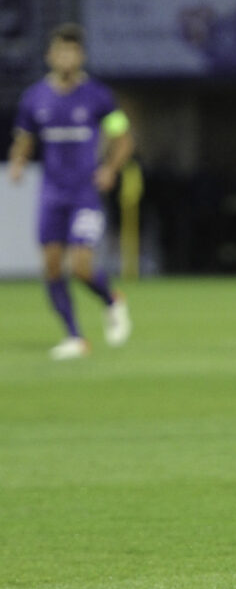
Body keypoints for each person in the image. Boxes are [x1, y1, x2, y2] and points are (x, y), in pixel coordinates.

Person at [8, 22, 134, 360]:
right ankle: (75, 337)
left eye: (72, 51)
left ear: (81, 56)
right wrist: (18, 162)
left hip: (84, 195)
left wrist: (109, 168)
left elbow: (122, 136)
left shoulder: (98, 97)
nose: (66, 57)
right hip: (52, 193)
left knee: (79, 266)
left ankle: (111, 299)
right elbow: (24, 139)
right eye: (60, 51)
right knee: (51, 266)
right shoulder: (35, 98)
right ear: (50, 56)